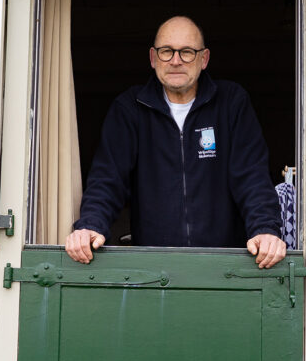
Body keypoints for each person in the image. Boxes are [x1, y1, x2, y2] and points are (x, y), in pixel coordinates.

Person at [65, 16, 287, 269]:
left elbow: (252, 177)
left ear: (204, 59)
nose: (176, 60)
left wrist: (265, 229)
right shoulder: (130, 108)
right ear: (153, 58)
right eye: (167, 51)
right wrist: (90, 226)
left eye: (187, 52)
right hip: (153, 267)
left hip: (227, 264)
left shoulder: (230, 103)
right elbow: (108, 179)